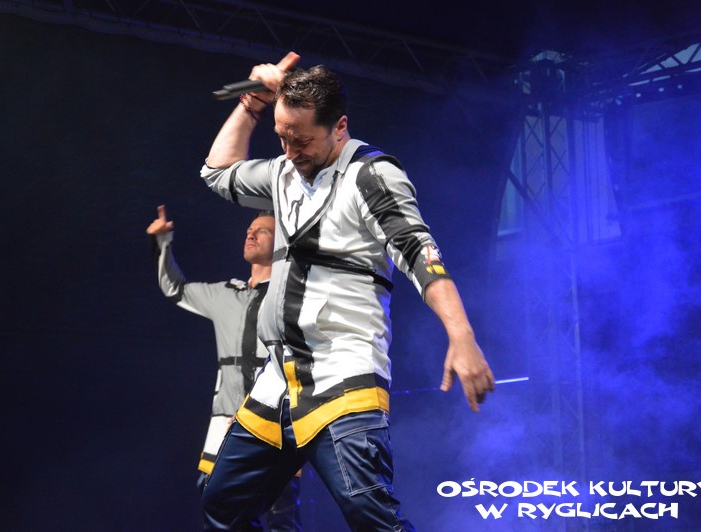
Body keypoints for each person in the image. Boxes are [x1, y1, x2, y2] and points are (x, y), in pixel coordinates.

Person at [198, 51, 495, 531]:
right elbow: (217, 172)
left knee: (369, 515)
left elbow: (421, 254)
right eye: (282, 138)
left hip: (343, 375)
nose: (290, 152)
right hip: (279, 381)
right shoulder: (283, 173)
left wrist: (461, 335)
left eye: (302, 140)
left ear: (339, 127)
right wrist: (252, 105)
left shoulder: (371, 175)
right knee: (222, 503)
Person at [146, 205, 302, 531]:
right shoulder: (226, 294)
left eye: (262, 231)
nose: (251, 235)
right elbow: (175, 288)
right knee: (216, 505)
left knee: (279, 513)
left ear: (280, 243)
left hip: (273, 420)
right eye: (249, 230)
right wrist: (163, 242)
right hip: (224, 420)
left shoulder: (291, 296)